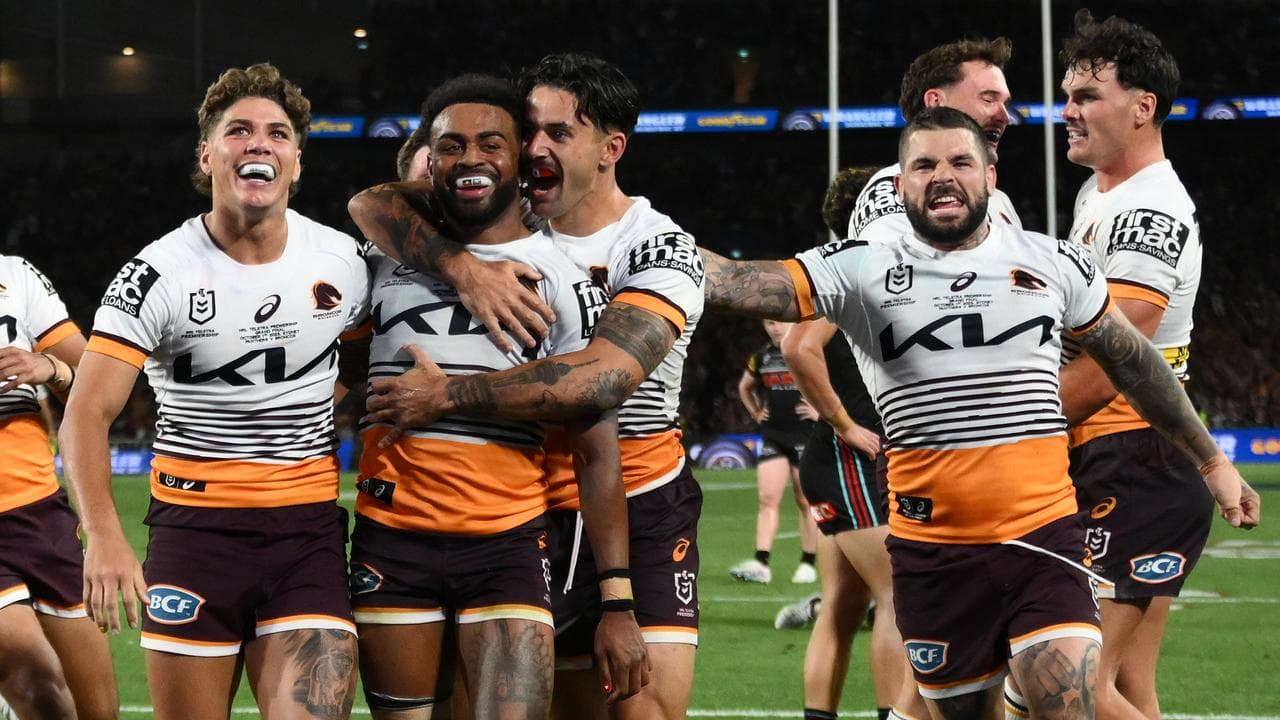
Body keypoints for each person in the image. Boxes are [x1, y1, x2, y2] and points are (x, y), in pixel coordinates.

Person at [699, 107, 1258, 720]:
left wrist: (1212, 462)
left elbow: (1136, 363)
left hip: (1043, 538)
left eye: (961, 161)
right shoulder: (859, 269)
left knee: (1069, 702)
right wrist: (641, 242)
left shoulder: (1053, 262)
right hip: (933, 553)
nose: (944, 175)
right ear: (899, 185)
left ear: (991, 174)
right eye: (925, 164)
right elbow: (732, 281)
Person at [351, 52, 702, 720]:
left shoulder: (651, 246)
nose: (538, 147)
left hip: (632, 497)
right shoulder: (465, 236)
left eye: (556, 134)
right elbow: (373, 200)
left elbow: (599, 382)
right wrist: (463, 269)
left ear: (610, 148)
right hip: (515, 504)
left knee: (639, 707)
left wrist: (446, 395)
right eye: (529, 131)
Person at [61, 63, 369, 720]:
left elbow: (381, 351)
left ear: (297, 161)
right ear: (208, 154)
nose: (260, 143)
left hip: (305, 533)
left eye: (278, 133)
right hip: (193, 534)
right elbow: (85, 412)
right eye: (239, 131)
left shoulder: (343, 260)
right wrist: (106, 537)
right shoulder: (156, 275)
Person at [1009, 12, 1220, 720]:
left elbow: (1116, 364)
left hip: (1134, 458)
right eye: (1067, 93)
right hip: (1131, 460)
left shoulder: (1148, 211)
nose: (1066, 110)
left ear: (1142, 107)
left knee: (1067, 686)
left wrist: (1011, 434)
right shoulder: (1100, 195)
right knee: (1126, 688)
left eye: (1086, 96)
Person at [770, 167, 927, 720]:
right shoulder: (857, 270)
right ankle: (894, 716)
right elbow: (799, 346)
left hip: (837, 458)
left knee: (840, 606)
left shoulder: (847, 270)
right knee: (898, 598)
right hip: (851, 459)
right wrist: (843, 423)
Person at [0, 255, 118, 720]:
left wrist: (50, 367)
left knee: (98, 711)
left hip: (41, 516)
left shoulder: (15, 275)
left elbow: (99, 386)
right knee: (40, 684)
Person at [849, 37, 1021, 245]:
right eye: (988, 99)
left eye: (1005, 103)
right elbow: (894, 273)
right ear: (936, 103)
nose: (1004, 116)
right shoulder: (891, 191)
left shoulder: (1000, 201)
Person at [730, 318, 820, 585]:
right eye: (769, 323)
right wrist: (757, 412)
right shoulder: (762, 356)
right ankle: (761, 562)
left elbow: (834, 383)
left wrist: (822, 412)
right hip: (774, 435)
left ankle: (807, 562)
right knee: (768, 498)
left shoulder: (808, 349)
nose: (775, 328)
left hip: (806, 434)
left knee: (806, 501)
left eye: (780, 322)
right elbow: (744, 387)